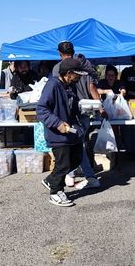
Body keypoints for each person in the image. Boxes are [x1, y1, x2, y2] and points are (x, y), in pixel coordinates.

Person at [37, 58, 87, 207]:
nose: (80, 77)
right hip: (57, 134)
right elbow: (41, 110)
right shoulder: (52, 85)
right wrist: (57, 123)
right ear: (68, 73)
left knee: (76, 159)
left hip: (71, 132)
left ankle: (50, 180)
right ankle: (55, 192)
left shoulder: (70, 86)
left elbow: (72, 108)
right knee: (63, 165)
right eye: (77, 74)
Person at [52, 42, 101, 189]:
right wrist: (100, 106)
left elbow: (57, 91)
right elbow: (92, 87)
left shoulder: (58, 68)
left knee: (75, 146)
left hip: (70, 114)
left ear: (59, 53)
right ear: (73, 51)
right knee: (77, 145)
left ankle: (85, 177)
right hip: (86, 112)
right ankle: (73, 175)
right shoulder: (85, 64)